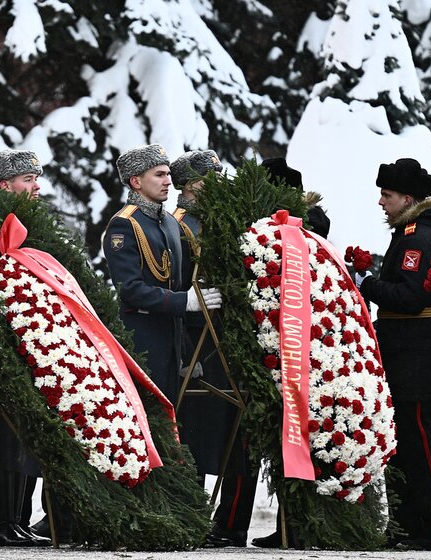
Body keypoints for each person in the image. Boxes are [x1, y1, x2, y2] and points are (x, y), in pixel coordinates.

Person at [355, 158, 431, 551]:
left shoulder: (416, 237)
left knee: (419, 439)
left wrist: (368, 284)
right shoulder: (417, 231)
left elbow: (412, 297)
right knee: (410, 440)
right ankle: (412, 525)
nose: (381, 202)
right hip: (414, 344)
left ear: (408, 198)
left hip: (417, 346)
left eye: (387, 195)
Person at [250, 157, 330, 550]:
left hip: (294, 345)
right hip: (310, 344)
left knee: (296, 431)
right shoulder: (305, 226)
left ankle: (296, 526)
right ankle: (294, 525)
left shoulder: (294, 230)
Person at [0, 149, 51, 546]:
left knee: (22, 436)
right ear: (5, 185)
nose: (36, 187)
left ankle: (16, 521)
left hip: (28, 340)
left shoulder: (27, 220)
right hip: (1, 343)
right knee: (1, 436)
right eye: (28, 180)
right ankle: (0, 523)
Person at [168, 150, 247, 547]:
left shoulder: (225, 223)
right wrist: (185, 353)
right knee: (194, 434)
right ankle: (193, 518)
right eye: (205, 181)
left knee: (235, 431)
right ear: (188, 187)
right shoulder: (179, 227)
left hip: (228, 339)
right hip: (199, 339)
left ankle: (231, 523)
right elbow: (178, 291)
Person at [102, 144, 221, 402]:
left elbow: (177, 284)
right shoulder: (125, 224)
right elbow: (130, 289)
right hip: (142, 340)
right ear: (136, 181)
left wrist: (186, 353)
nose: (168, 181)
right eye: (159, 175)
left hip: (173, 340)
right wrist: (184, 301)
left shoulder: (168, 221)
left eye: (168, 174)